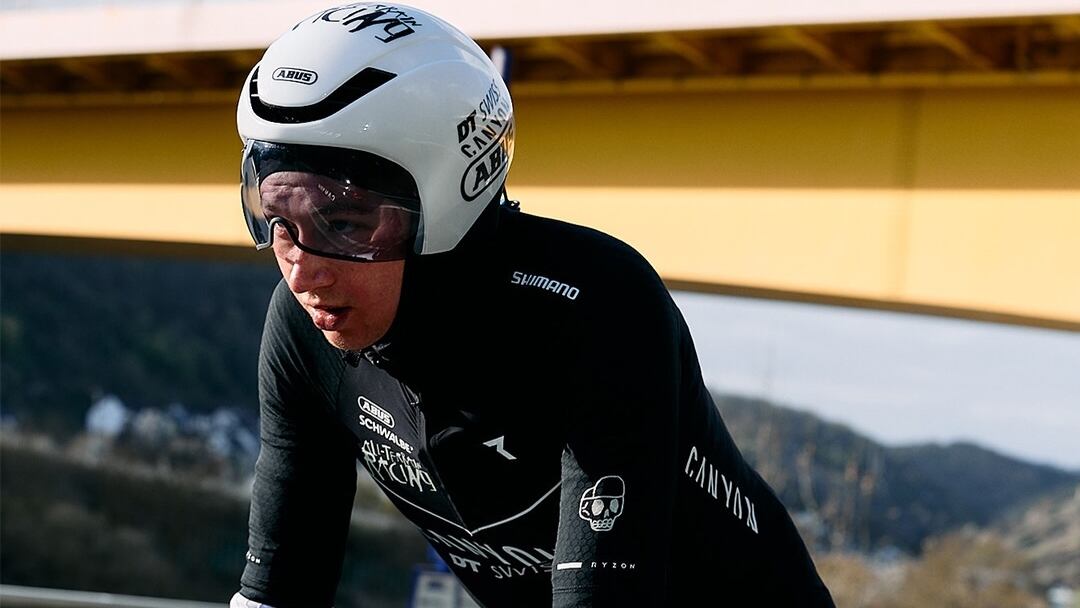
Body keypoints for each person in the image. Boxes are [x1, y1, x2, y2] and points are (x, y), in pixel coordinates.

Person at [230, 3, 834, 607]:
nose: (302, 270)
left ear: (447, 199)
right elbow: (275, 591)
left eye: (343, 223)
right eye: (276, 220)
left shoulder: (595, 307)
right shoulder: (302, 329)